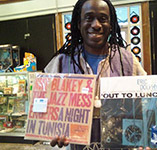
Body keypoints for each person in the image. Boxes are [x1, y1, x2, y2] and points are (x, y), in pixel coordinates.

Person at [44, 0, 147, 149]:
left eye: (103, 19)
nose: (96, 25)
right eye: (89, 18)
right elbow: (43, 105)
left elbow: (145, 104)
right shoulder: (61, 62)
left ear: (111, 25)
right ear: (79, 24)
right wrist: (51, 129)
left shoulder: (127, 61)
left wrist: (147, 137)